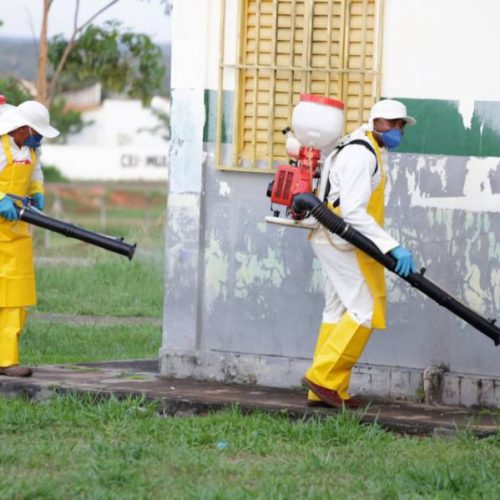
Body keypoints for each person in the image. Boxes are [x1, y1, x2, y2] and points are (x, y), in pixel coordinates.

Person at [303, 99, 417, 408]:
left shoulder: (367, 147)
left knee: (337, 311)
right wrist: (391, 245)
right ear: (376, 122)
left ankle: (326, 390)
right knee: (364, 309)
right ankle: (323, 377)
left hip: (334, 238)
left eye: (401, 127)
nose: (397, 131)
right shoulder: (359, 154)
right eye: (393, 125)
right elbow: (352, 212)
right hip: (337, 238)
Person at [0, 100, 59, 377]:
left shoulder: (30, 149)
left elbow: (35, 172)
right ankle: (5, 361)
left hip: (17, 231)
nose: (38, 139)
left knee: (17, 298)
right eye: (37, 133)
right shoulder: (0, 146)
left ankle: (6, 359)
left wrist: (37, 191)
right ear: (22, 128)